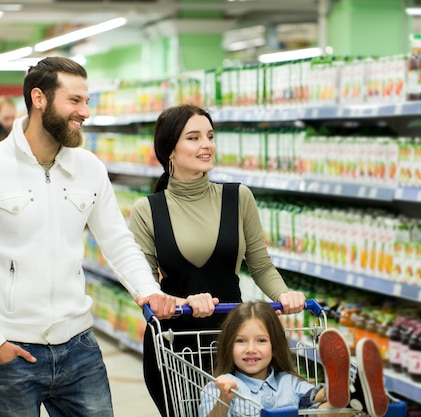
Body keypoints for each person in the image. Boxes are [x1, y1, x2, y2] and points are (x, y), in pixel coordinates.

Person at [0, 56, 185, 417]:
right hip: (11, 351)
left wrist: (148, 290)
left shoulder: (89, 168)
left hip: (79, 348)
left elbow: (117, 241)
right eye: (74, 101)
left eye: (86, 101)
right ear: (38, 98)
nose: (85, 112)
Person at [128, 103, 306, 416]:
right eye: (194, 138)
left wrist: (283, 294)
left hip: (234, 339)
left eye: (210, 136)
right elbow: (143, 286)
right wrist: (182, 300)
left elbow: (261, 265)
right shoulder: (147, 210)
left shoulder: (238, 197)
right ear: (170, 149)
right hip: (175, 345)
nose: (207, 144)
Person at [199, 301, 390, 417]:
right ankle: (355, 396)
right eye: (241, 341)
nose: (251, 349)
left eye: (261, 341)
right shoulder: (221, 386)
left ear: (274, 347)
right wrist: (224, 396)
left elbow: (311, 401)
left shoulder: (289, 382)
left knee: (321, 404)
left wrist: (325, 394)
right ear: (228, 346)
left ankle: (342, 390)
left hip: (315, 401)